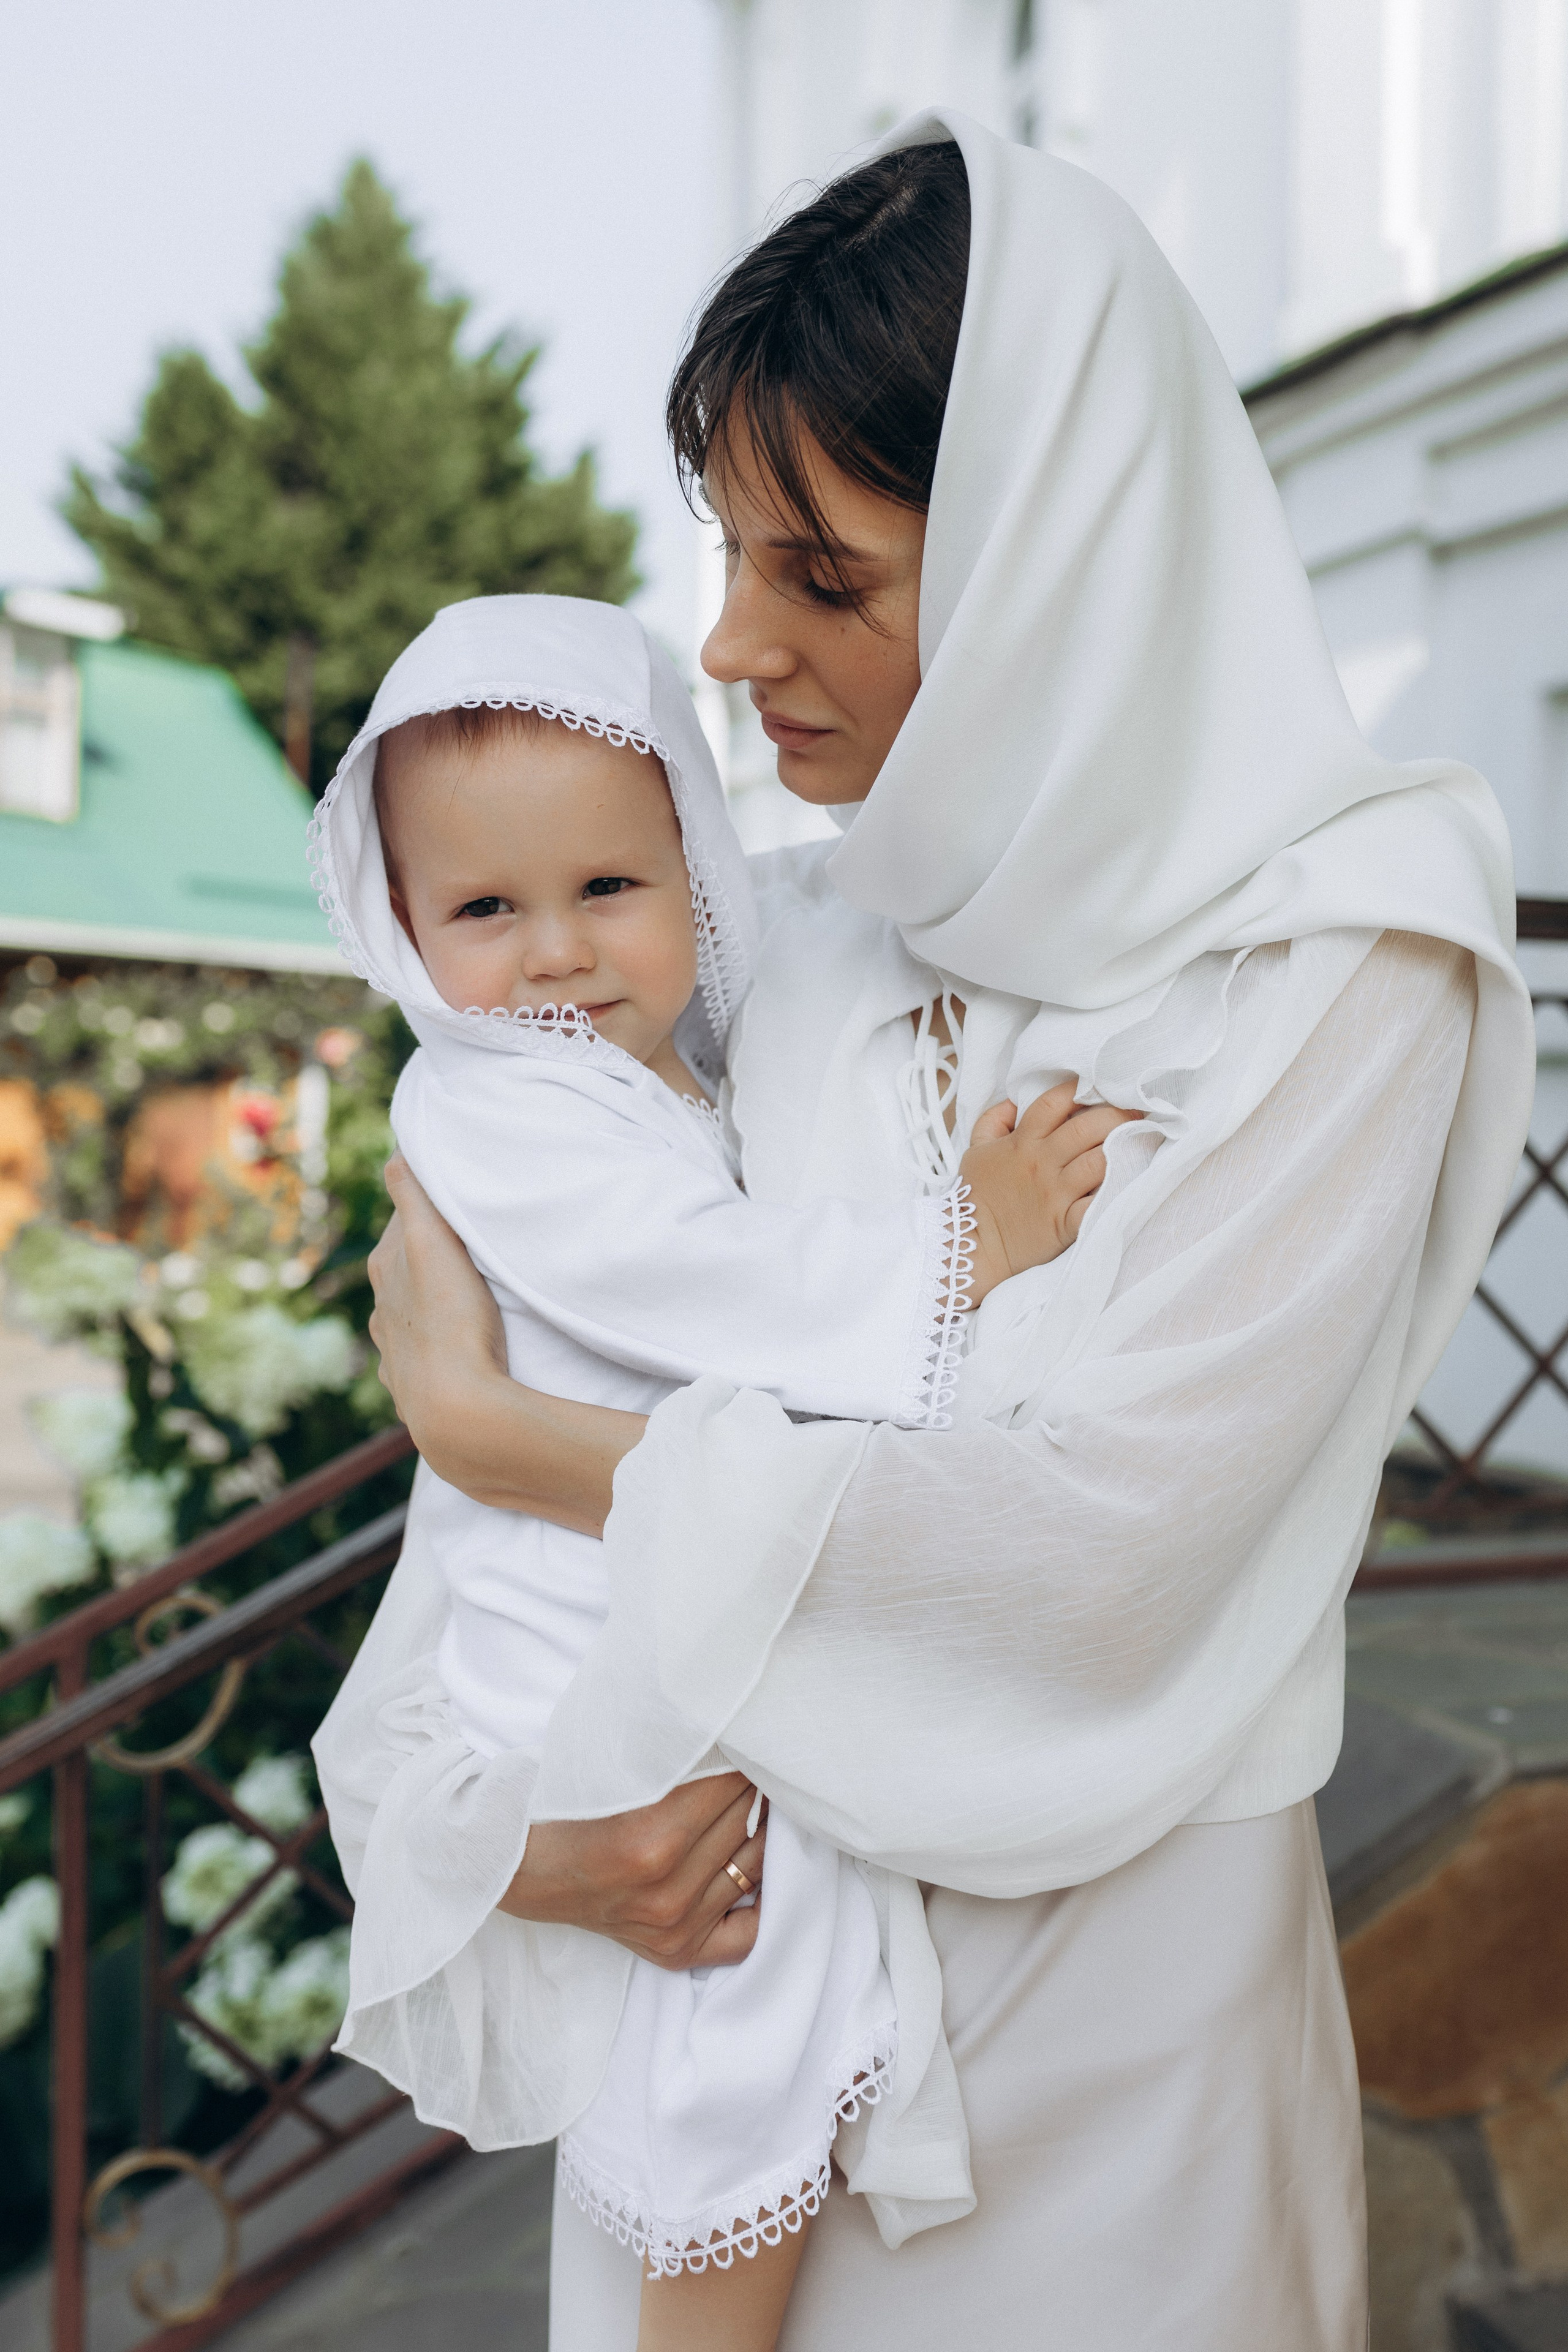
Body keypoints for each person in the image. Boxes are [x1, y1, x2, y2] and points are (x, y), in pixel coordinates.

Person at [321, 113, 1537, 2349]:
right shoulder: (783, 934)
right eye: (731, 556)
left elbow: (1095, 1552)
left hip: (1108, 2087)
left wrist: (525, 1448)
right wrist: (519, 1847)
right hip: (714, 2042)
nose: (729, 643)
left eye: (826, 577)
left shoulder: (1345, 963)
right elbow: (509, 1386)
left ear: (1052, 557)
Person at [312, 590, 1126, 2348]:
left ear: (695, 859)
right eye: (481, 910)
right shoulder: (498, 1108)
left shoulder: (652, 1084)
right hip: (588, 1653)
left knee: (748, 1984)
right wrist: (960, 1249)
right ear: (397, 925)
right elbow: (706, 1288)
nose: (553, 956)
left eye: (607, 887)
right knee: (744, 1982)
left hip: (647, 1597)